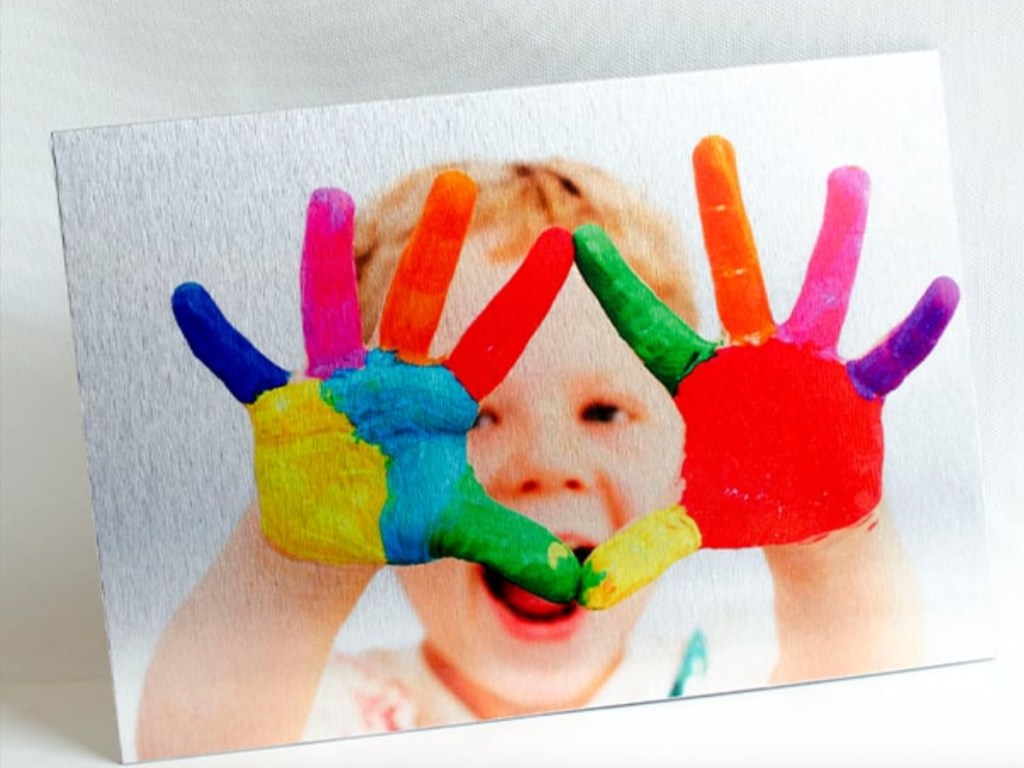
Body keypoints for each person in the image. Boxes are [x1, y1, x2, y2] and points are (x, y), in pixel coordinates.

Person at [136, 153, 926, 759]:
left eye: (605, 410)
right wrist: (296, 567)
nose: (546, 464)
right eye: (472, 418)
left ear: (690, 453)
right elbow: (189, 748)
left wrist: (828, 541)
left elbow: (872, 705)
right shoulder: (337, 710)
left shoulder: (724, 675)